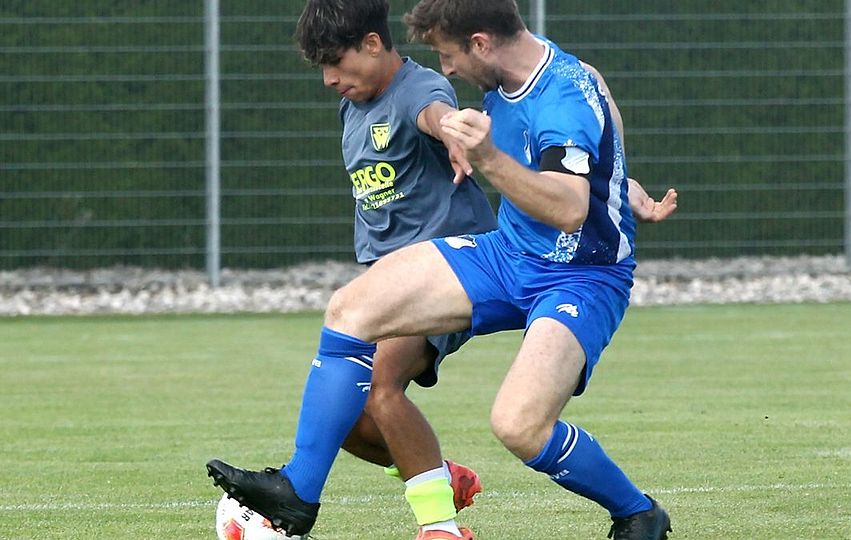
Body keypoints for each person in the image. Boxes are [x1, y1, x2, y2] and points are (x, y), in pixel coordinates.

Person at [208, 0, 679, 538]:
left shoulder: (562, 94)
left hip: (581, 275)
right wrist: (618, 182)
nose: (446, 69)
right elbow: (601, 114)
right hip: (507, 254)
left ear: (480, 42)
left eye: (448, 55)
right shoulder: (530, 74)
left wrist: (490, 158)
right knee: (349, 310)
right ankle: (297, 491)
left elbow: (570, 210)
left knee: (518, 426)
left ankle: (637, 512)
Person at [207, 1, 496, 538]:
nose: (329, 79)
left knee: (379, 385)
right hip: (390, 284)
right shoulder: (353, 106)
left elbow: (436, 113)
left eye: (336, 63)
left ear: (372, 43)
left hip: (447, 271)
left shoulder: (417, 88)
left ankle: (440, 527)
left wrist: (453, 133)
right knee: (342, 412)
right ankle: (436, 473)